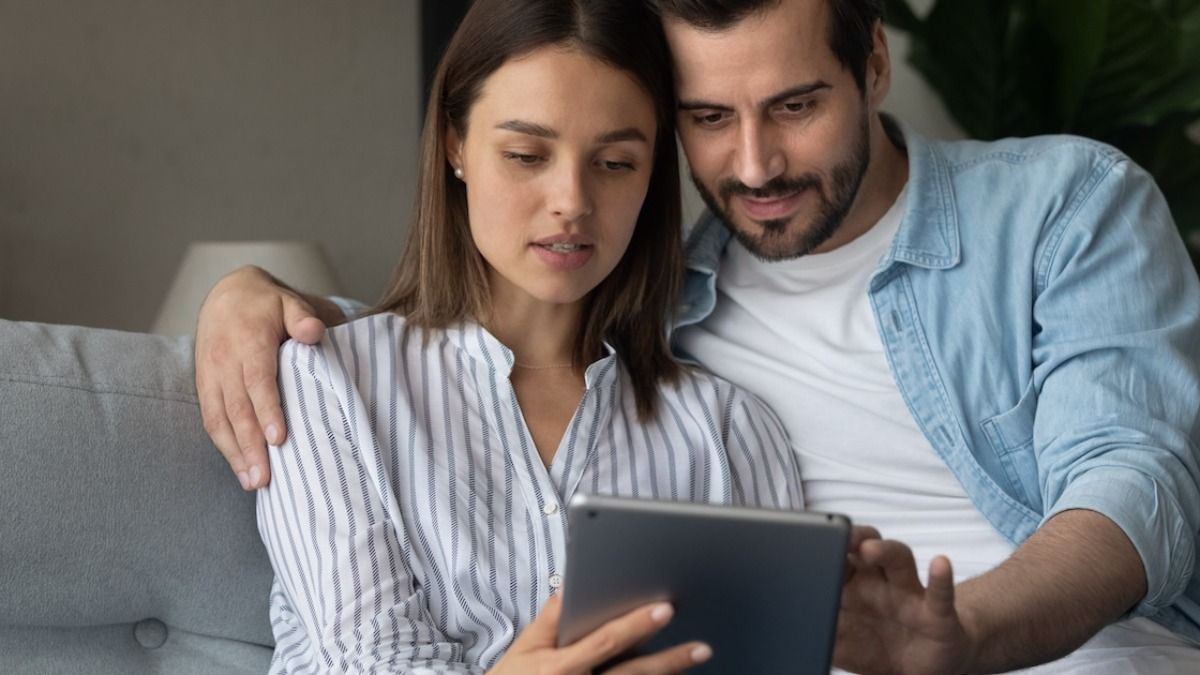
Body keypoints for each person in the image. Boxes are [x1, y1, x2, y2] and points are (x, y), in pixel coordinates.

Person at [198, 0, 1200, 672]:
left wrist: (964, 633)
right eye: (710, 117)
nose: (756, 163)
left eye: (796, 106)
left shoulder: (1063, 205)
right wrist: (247, 296)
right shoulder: (673, 307)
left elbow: (1134, 477)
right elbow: (467, 340)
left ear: (875, 64)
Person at [250, 0, 804, 672]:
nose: (571, 199)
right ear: (456, 145)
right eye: (526, 154)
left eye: (616, 162)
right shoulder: (329, 385)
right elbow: (372, 661)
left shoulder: (731, 431)